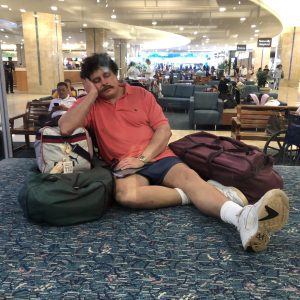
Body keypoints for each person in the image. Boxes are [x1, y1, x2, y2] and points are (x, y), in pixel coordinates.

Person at [59, 53, 289, 253]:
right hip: (124, 167)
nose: (103, 83)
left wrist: (142, 157)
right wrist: (90, 95)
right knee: (126, 196)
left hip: (157, 156)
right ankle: (202, 192)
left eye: (106, 76)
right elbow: (65, 127)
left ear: (116, 74)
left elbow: (163, 130)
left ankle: (241, 218)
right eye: (96, 81)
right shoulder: (90, 104)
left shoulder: (141, 95)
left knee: (189, 179)